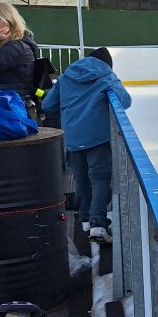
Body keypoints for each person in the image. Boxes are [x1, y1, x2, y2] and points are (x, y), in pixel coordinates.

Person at [42, 47, 131, 243]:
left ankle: (84, 219)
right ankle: (97, 223)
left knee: (81, 179)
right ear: (107, 64)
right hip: (97, 138)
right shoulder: (106, 76)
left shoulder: (65, 77)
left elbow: (48, 105)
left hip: (73, 138)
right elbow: (125, 101)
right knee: (99, 180)